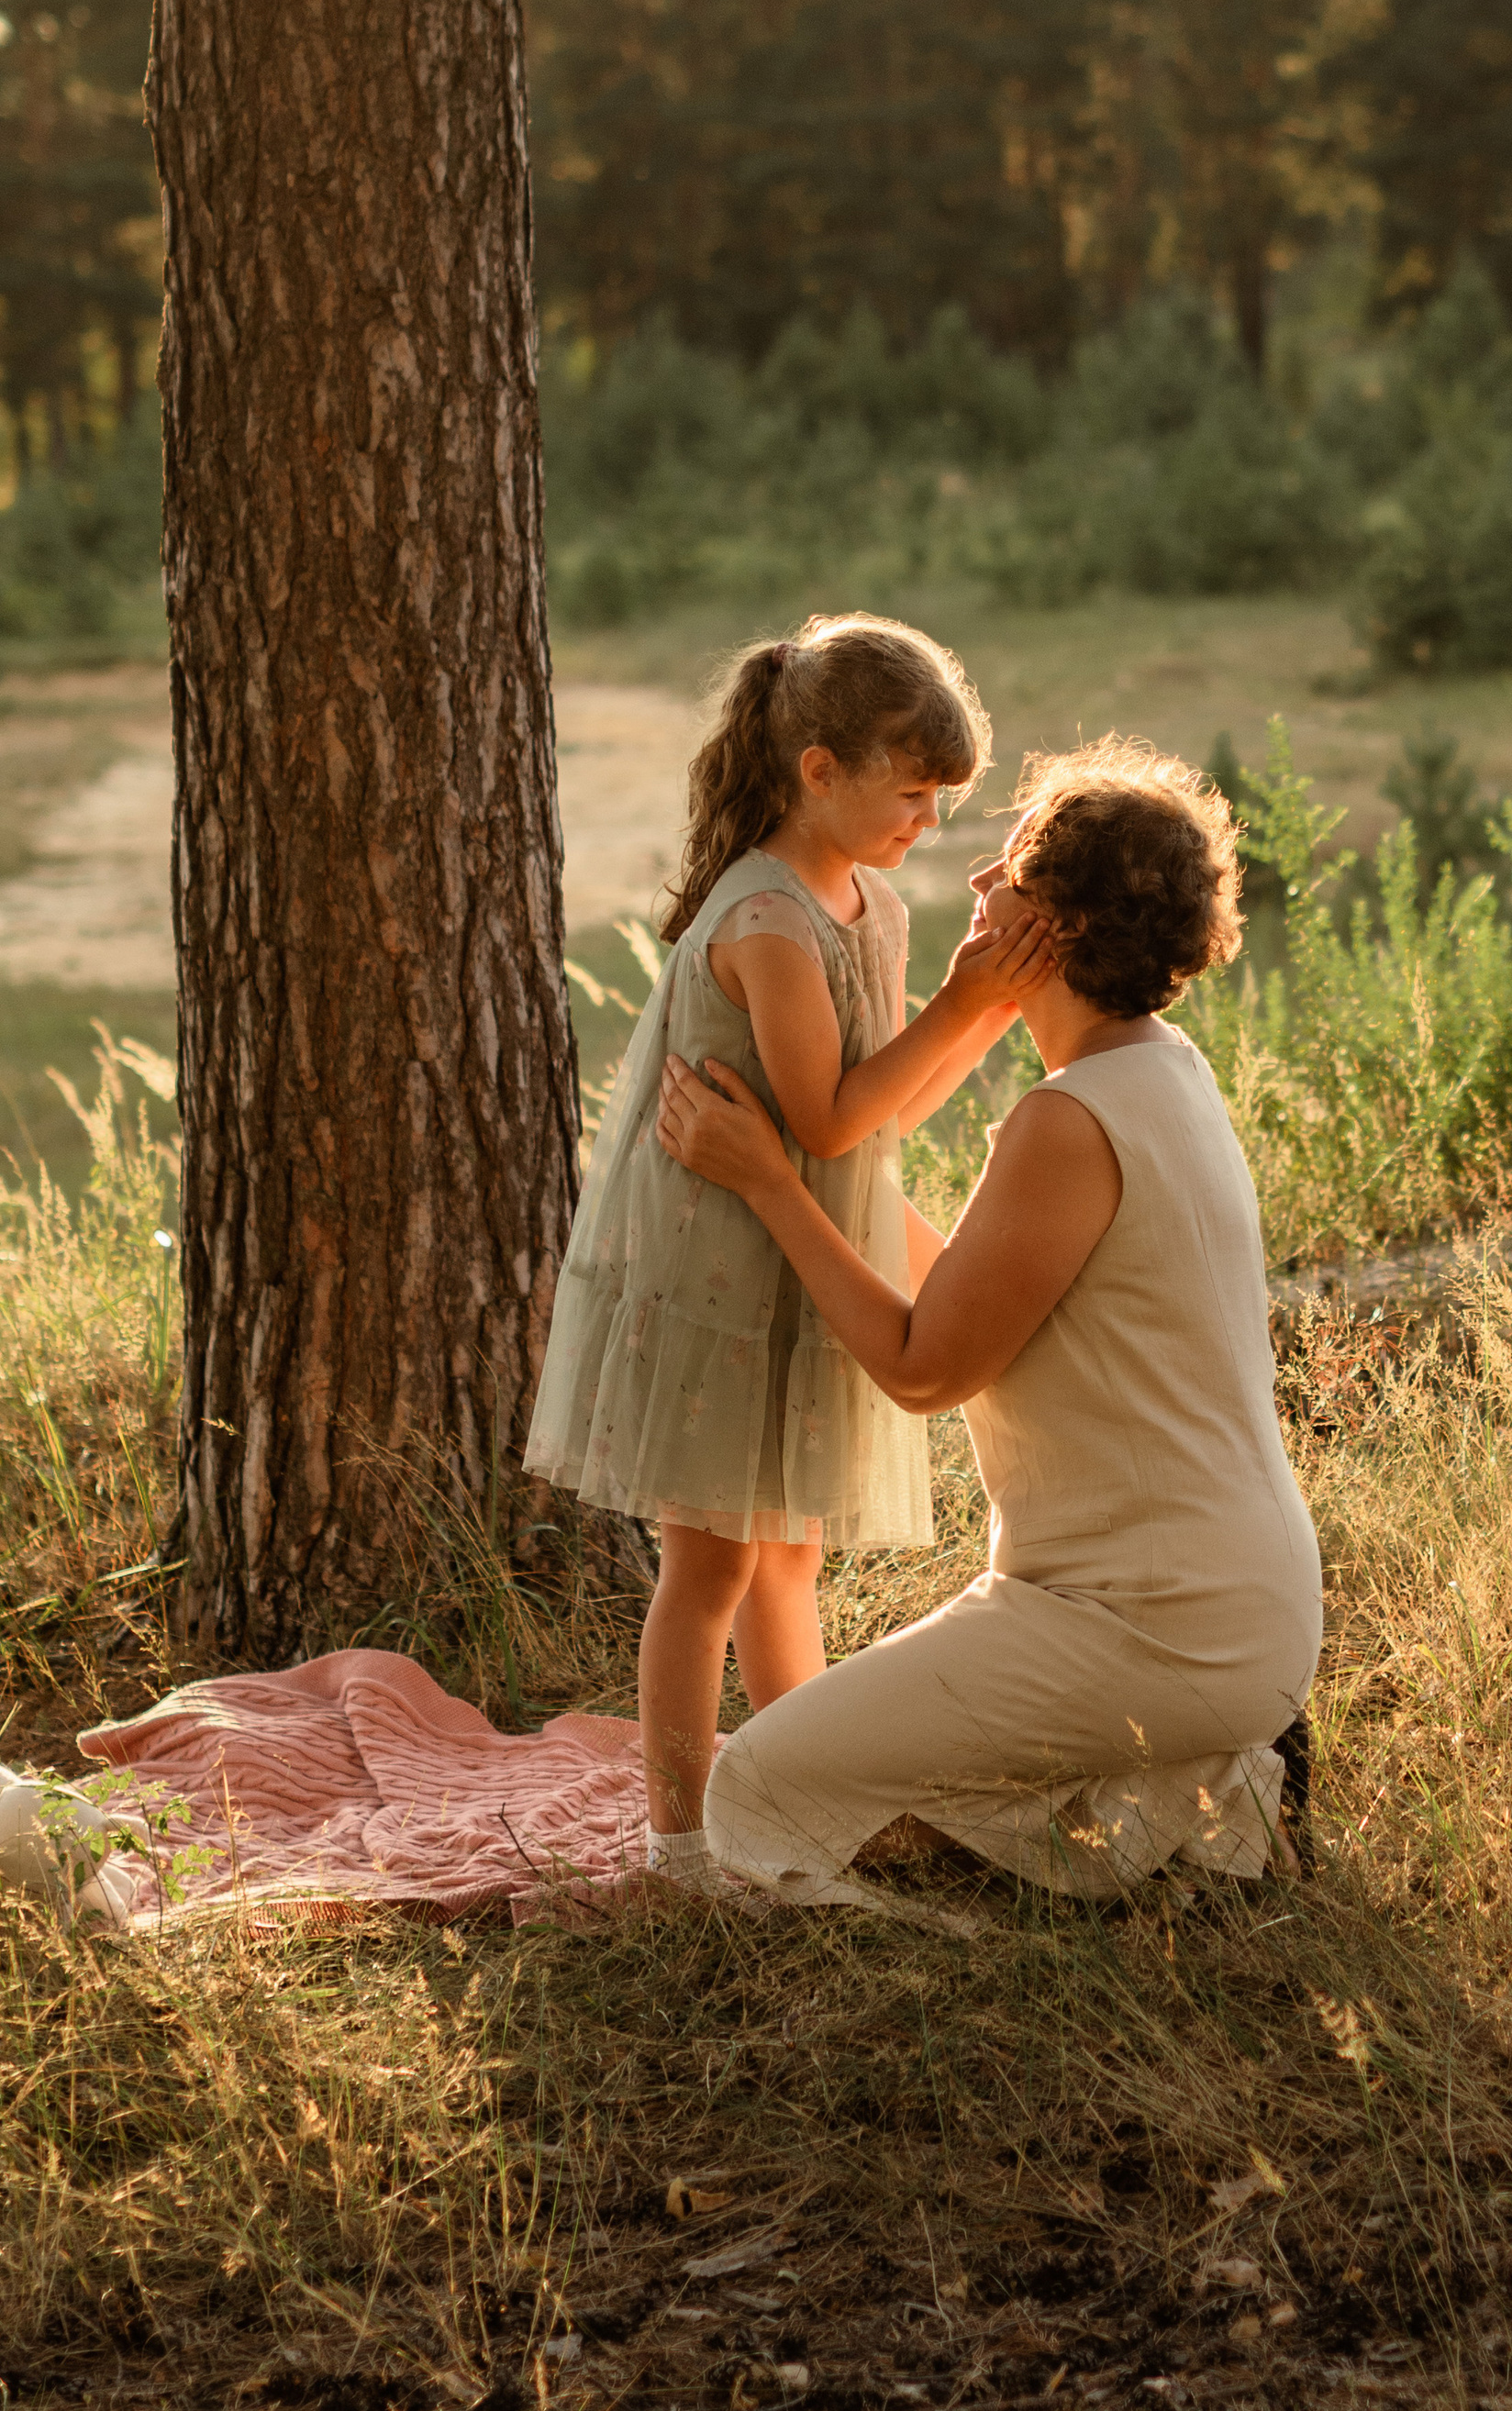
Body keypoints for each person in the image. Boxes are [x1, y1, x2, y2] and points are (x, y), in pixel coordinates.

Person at [652, 736, 1323, 1903]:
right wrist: (817, 1170)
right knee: (868, 1761)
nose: (975, 885)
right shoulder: (1162, 1072)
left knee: (756, 1786)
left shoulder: (1067, 1122)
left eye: (1007, 865)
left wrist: (770, 1183)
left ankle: (1173, 1813)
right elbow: (967, 1280)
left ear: (1054, 926)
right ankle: (1203, 1792)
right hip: (1231, 1609)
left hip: (1153, 1623)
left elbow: (922, 1366)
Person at [525, 613, 1057, 1864]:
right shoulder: (765, 916)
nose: (929, 823)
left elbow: (880, 1115)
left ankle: (796, 1798)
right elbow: (821, 1119)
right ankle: (680, 1843)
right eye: (914, 793)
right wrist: (967, 1003)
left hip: (793, 1258)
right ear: (820, 772)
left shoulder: (866, 901)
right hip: (717, 1274)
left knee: (789, 1557)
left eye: (943, 800)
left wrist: (985, 1014)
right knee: (708, 1568)